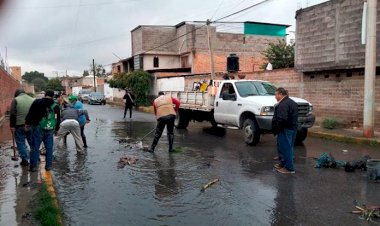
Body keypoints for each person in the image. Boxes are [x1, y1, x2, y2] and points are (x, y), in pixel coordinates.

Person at [25, 90, 61, 172]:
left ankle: (33, 167)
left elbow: (30, 113)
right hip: (50, 129)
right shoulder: (55, 106)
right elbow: (58, 118)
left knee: (35, 147)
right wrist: (56, 129)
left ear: (45, 95)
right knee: (49, 148)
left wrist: (27, 123)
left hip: (38, 127)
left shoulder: (37, 102)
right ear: (52, 96)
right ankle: (48, 166)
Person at [272, 87, 298, 174]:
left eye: (276, 95)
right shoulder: (292, 102)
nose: (275, 97)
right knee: (287, 147)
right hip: (292, 128)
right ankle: (283, 164)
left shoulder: (283, 104)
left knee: (286, 148)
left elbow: (282, 119)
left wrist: (276, 129)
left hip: (285, 129)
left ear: (280, 94)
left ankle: (289, 168)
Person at [9, 89, 35, 166]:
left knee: (20, 142)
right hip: (31, 125)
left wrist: (12, 126)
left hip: (20, 125)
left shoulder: (15, 100)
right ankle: (35, 157)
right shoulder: (32, 99)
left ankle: (25, 159)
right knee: (32, 142)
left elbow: (13, 114)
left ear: (17, 95)